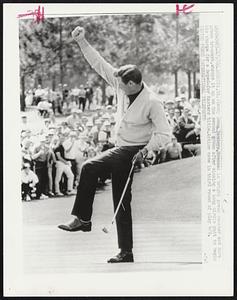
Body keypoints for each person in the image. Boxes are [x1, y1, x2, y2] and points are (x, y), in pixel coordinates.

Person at [58, 26, 171, 263]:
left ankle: (83, 219)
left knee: (89, 167)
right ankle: (126, 252)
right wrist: (82, 42)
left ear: (132, 84)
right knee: (122, 202)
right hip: (121, 148)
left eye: (120, 84)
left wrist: (146, 150)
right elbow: (99, 64)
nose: (116, 87)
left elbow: (164, 134)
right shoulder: (123, 83)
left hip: (133, 151)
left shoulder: (152, 102)